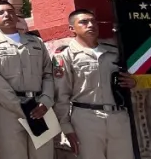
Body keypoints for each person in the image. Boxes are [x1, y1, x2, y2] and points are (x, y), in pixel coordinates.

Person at [53, 9, 136, 159]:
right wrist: (66, 127)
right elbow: (61, 94)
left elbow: (131, 79)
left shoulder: (114, 52)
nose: (90, 25)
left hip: (118, 116)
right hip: (86, 118)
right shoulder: (65, 56)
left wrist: (133, 82)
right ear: (72, 29)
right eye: (84, 22)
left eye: (93, 21)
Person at [0, 0, 54, 159]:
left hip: (39, 107)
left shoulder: (36, 42)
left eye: (10, 11)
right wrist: (19, 105)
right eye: (0, 12)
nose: (7, 15)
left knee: (44, 155)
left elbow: (48, 73)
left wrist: (46, 101)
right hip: (7, 110)